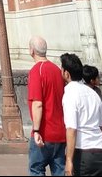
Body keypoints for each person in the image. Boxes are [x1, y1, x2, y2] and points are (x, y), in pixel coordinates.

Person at [60, 52, 102, 177]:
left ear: (66, 73)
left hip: (83, 155)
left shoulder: (70, 95)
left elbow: (71, 129)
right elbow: (101, 127)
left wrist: (69, 160)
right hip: (101, 155)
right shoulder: (93, 94)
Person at [27, 35, 66, 176]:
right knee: (60, 170)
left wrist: (36, 130)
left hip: (44, 132)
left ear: (31, 51)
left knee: (36, 169)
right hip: (60, 131)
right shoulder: (56, 70)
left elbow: (37, 103)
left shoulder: (37, 71)